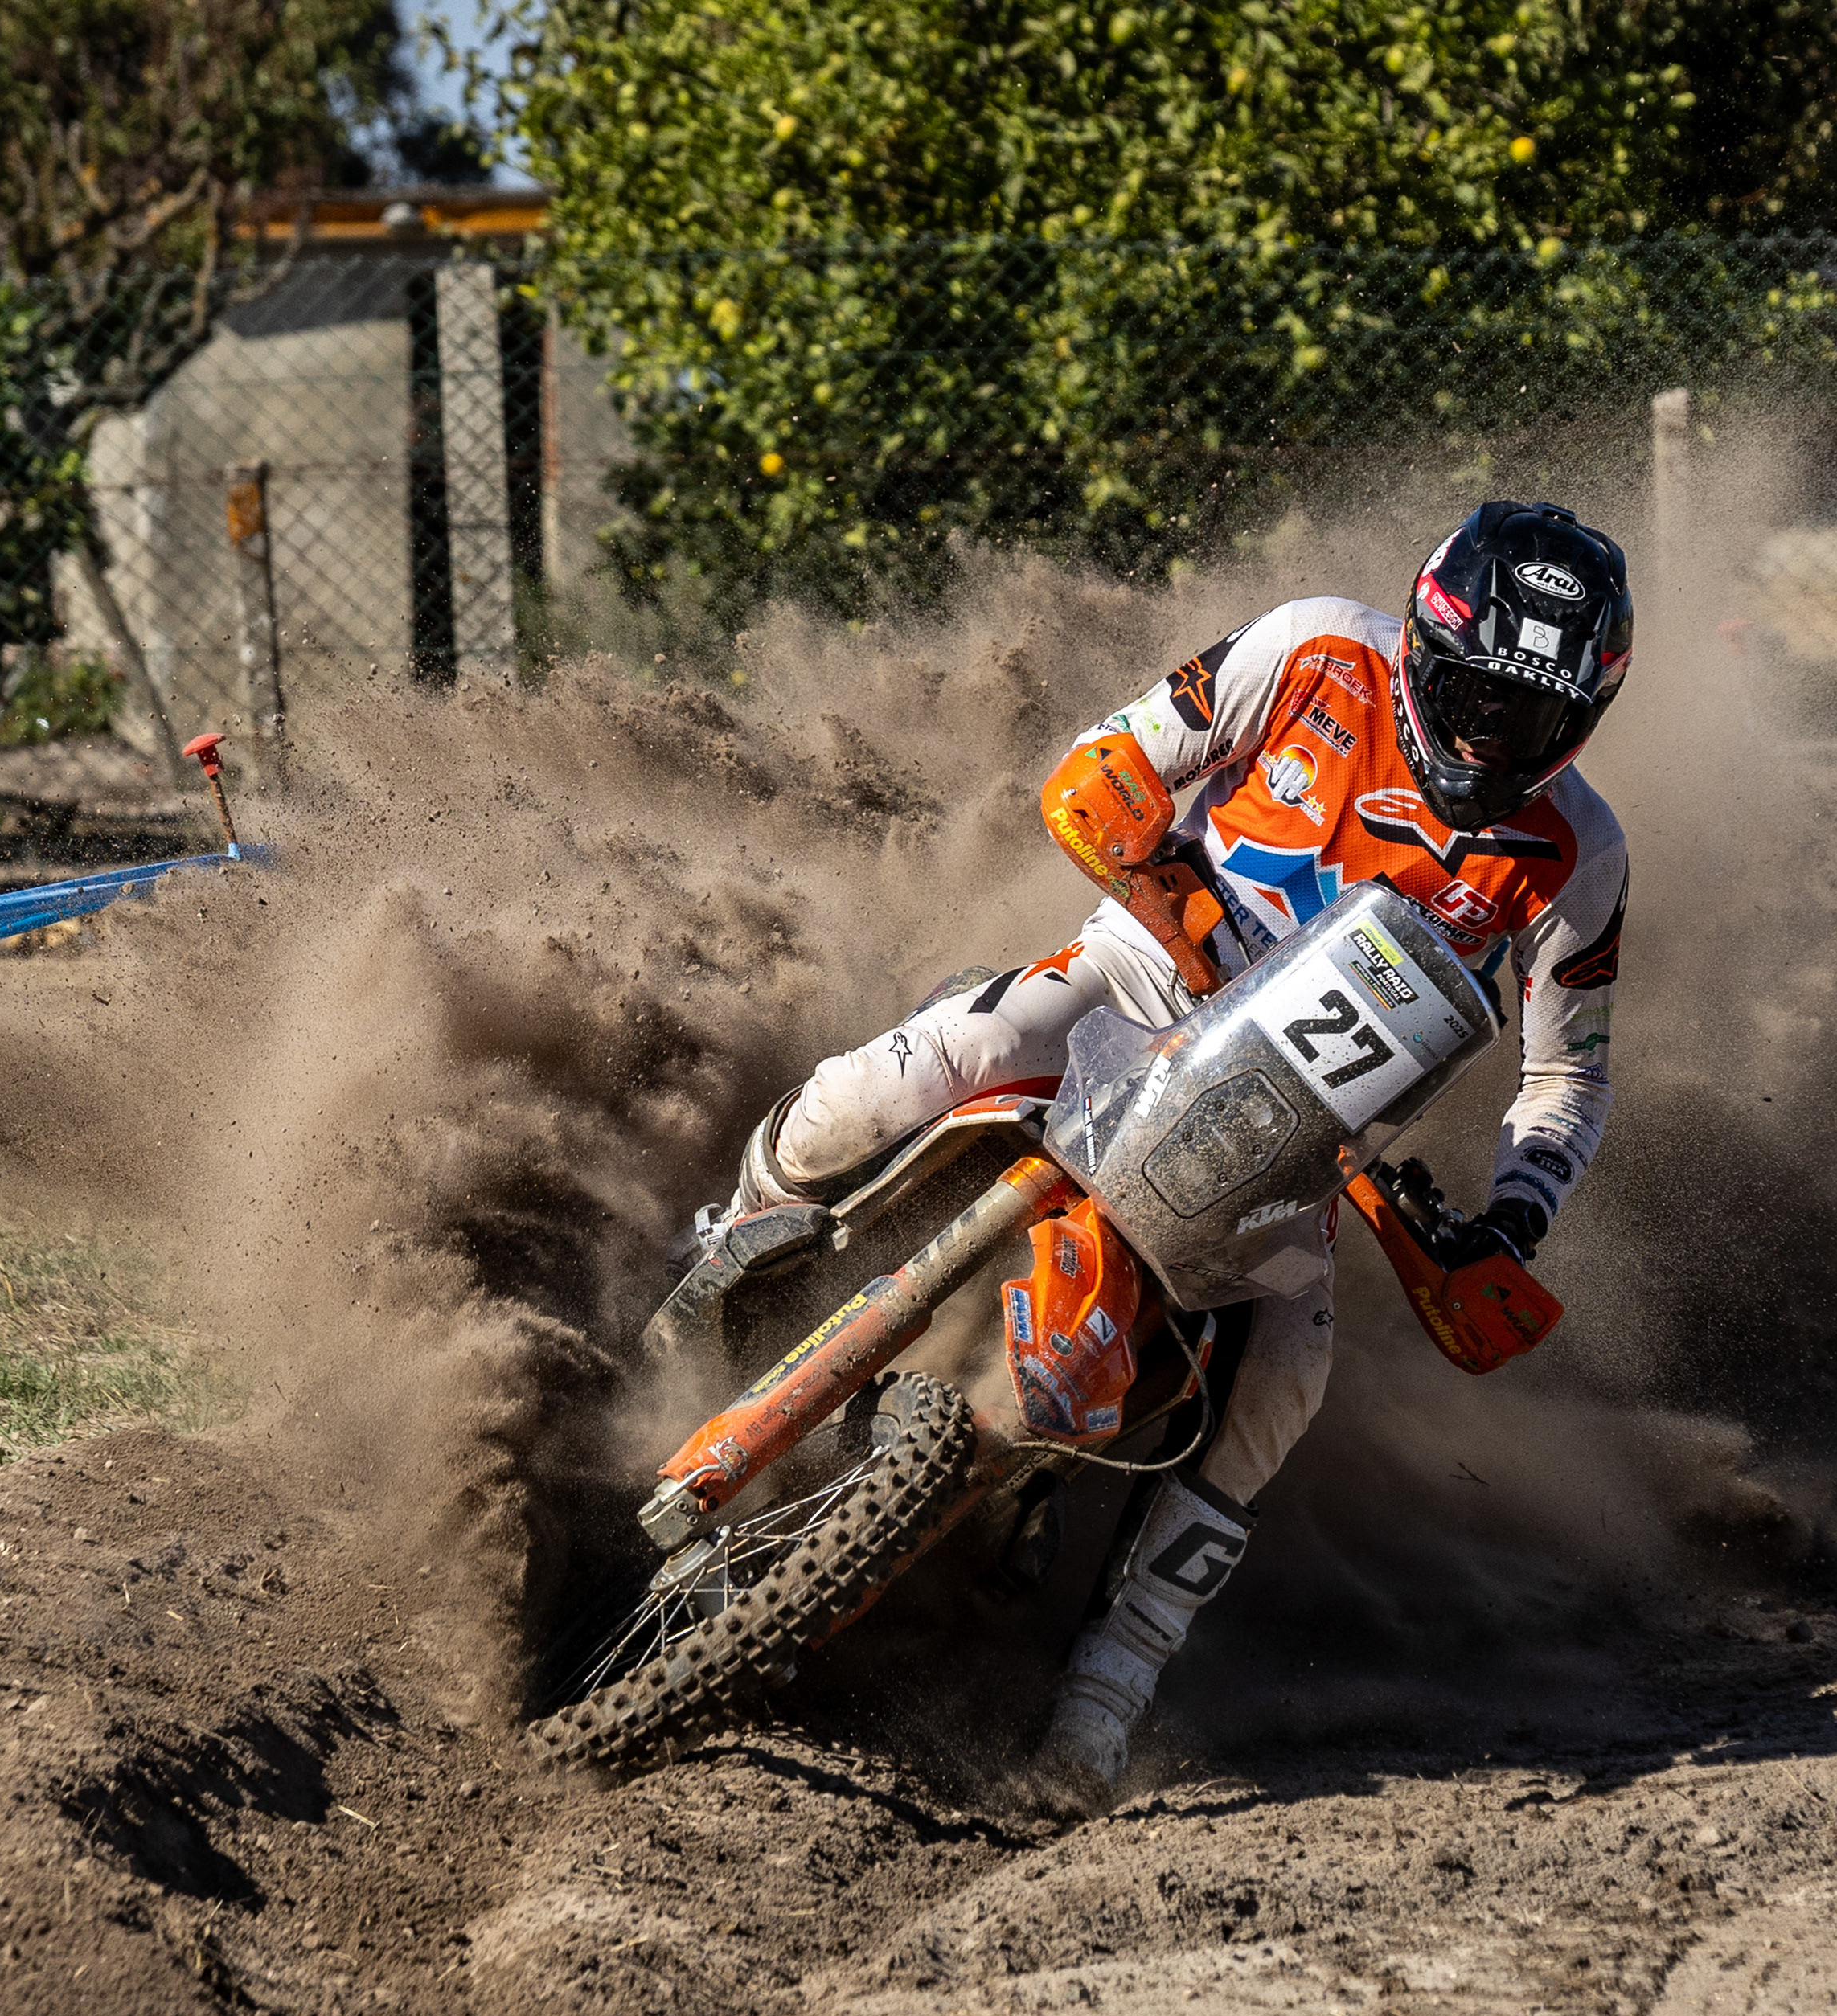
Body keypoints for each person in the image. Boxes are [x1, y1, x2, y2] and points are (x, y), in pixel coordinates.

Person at [695, 500, 1633, 1812]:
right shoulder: (1312, 648)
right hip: (1141, 978)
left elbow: (1568, 1073)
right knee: (918, 1066)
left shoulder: (1581, 856)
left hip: (1304, 1131)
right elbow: (1117, 752)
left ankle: (1107, 1696)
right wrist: (1124, 822)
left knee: (1289, 1371)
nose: (1490, 735)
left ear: (1584, 717)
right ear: (1428, 648)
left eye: (1530, 718)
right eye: (1479, 694)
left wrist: (1516, 1216)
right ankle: (730, 1235)